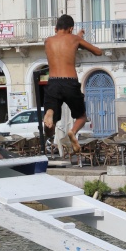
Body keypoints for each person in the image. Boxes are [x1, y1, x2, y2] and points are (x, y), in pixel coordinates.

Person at [43, 14, 103, 153]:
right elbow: (98, 52)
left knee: (49, 131)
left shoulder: (48, 41)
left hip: (53, 83)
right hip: (70, 82)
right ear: (70, 29)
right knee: (81, 116)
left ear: (55, 28)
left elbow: (65, 42)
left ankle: (50, 112)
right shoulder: (74, 39)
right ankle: (73, 132)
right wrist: (79, 39)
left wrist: (77, 37)